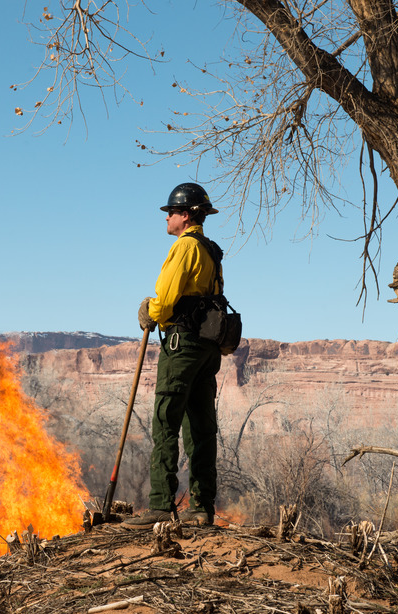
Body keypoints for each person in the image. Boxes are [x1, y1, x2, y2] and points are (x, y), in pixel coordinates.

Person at [123, 182, 224, 530]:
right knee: (200, 428)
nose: (167, 218)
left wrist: (148, 310)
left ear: (185, 215)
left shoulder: (184, 248)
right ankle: (201, 508)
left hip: (181, 346)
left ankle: (161, 506)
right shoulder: (211, 249)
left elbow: (164, 300)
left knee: (166, 421)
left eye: (171, 212)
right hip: (207, 348)